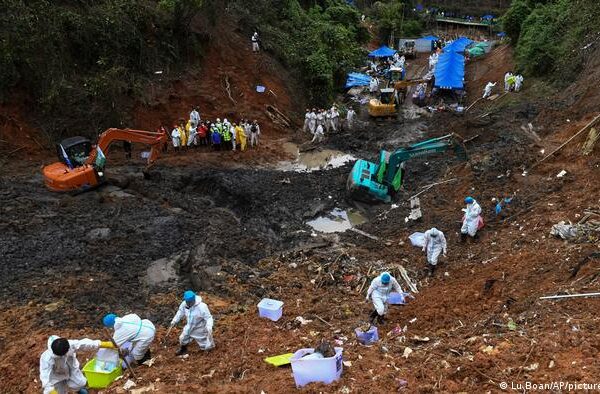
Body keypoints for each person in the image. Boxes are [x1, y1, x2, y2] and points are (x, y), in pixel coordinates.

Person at [40, 335, 114, 394]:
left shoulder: (69, 344)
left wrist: (102, 344)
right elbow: (45, 376)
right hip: (56, 376)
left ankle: (78, 390)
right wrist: (51, 391)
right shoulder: (47, 358)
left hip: (71, 368)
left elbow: (84, 344)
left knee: (81, 383)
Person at [170, 290, 215, 356]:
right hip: (189, 326)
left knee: (204, 342)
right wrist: (174, 321)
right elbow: (180, 312)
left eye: (190, 302)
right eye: (188, 302)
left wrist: (209, 326)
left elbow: (208, 318)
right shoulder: (184, 304)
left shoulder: (202, 307)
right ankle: (183, 349)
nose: (189, 303)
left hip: (199, 327)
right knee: (183, 338)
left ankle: (208, 351)